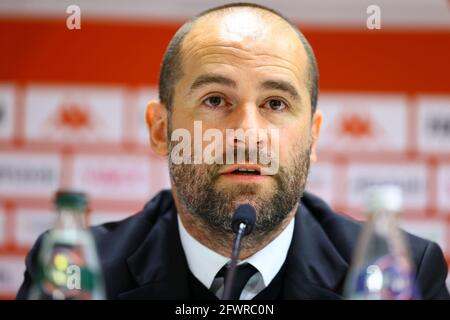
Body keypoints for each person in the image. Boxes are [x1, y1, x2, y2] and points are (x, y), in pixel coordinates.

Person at [17, 3, 449, 300]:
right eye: (215, 101)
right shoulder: (76, 269)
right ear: (161, 129)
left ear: (313, 138)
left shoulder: (401, 269)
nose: (247, 133)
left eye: (275, 104)